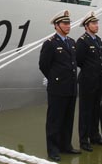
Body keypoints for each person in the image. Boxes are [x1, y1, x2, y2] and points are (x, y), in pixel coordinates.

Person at [39, 10, 81, 161]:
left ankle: (66, 145)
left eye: (69, 23)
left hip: (70, 87)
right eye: (64, 23)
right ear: (56, 25)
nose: (68, 26)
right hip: (57, 88)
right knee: (55, 120)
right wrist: (54, 78)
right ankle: (53, 149)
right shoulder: (50, 44)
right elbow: (43, 65)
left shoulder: (71, 42)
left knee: (68, 119)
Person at [75, 11, 102, 152]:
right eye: (93, 23)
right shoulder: (82, 41)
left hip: (98, 81)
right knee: (85, 111)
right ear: (86, 26)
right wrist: (90, 72)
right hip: (87, 81)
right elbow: (79, 60)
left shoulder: (98, 40)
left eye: (96, 23)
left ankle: (95, 136)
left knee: (96, 109)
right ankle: (84, 140)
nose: (96, 25)